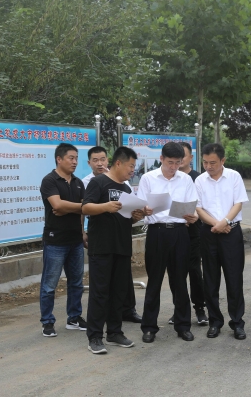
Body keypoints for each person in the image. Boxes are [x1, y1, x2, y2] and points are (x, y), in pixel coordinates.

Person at [82, 146, 148, 354]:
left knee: (119, 292)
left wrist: (136, 217)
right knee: (100, 292)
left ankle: (114, 332)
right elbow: (85, 207)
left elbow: (126, 218)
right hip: (102, 247)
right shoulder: (98, 182)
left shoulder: (126, 189)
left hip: (122, 246)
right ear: (118, 163)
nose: (132, 170)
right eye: (131, 166)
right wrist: (105, 207)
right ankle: (95, 337)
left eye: (134, 167)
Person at [137, 142, 199, 343]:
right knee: (154, 280)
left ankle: (183, 326)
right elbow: (139, 207)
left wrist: (194, 216)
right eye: (170, 162)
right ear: (161, 159)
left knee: (180, 280)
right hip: (157, 232)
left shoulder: (186, 179)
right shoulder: (148, 178)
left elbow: (193, 206)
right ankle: (149, 327)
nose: (174, 167)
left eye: (178, 163)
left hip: (180, 232)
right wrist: (144, 210)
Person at [195, 143, 249, 340]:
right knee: (210, 279)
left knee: (234, 278)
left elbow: (238, 203)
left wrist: (225, 222)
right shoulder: (200, 180)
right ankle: (215, 322)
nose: (208, 166)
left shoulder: (234, 176)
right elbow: (198, 208)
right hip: (208, 233)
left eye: (213, 163)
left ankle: (237, 323)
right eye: (205, 162)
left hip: (231, 233)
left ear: (223, 160)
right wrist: (216, 225)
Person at [39, 143, 87, 337]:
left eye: (76, 158)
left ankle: (74, 318)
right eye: (71, 158)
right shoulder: (49, 180)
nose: (75, 162)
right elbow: (57, 205)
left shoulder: (78, 182)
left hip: (76, 240)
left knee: (76, 282)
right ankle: (47, 322)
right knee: (49, 285)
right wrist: (79, 206)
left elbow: (83, 210)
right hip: (55, 241)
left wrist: (81, 229)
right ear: (59, 159)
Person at [165, 142, 208, 326]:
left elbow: (203, 204)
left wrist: (195, 216)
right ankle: (179, 310)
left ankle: (200, 308)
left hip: (193, 233)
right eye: (174, 158)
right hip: (172, 233)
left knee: (194, 271)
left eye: (182, 157)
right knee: (175, 273)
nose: (178, 161)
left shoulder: (198, 178)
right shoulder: (167, 177)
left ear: (190, 158)